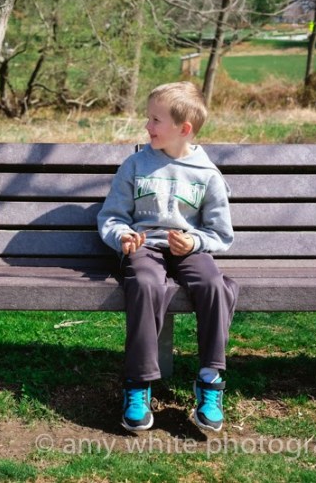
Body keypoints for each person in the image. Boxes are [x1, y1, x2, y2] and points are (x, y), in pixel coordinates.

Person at [97, 81, 238, 433]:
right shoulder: (135, 165)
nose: (147, 126)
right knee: (145, 283)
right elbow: (112, 217)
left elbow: (220, 234)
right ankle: (138, 384)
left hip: (189, 250)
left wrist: (193, 242)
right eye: (149, 118)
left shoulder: (207, 175)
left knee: (214, 285)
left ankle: (210, 379)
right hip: (144, 246)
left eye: (155, 120)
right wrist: (122, 236)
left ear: (183, 129)